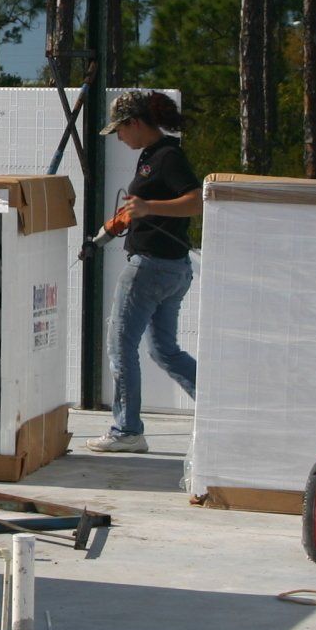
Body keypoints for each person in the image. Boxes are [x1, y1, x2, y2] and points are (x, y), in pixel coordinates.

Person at [85, 90, 201, 454]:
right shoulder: (153, 156)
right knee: (164, 350)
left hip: (150, 268)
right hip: (174, 268)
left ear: (135, 123)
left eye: (120, 130)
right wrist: (105, 234)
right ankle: (218, 409)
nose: (119, 138)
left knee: (121, 346)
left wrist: (149, 205)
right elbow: (139, 210)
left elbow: (197, 201)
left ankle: (127, 430)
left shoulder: (167, 157)